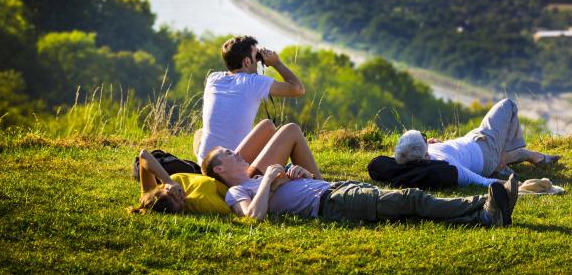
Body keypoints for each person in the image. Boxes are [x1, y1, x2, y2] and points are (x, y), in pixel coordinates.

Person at [202, 147, 519, 227]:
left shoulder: (257, 179)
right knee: (409, 199)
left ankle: (489, 211)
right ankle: (487, 207)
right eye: (230, 154)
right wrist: (270, 179)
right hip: (333, 203)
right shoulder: (237, 191)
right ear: (219, 169)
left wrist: (300, 173)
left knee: (406, 206)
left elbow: (299, 186)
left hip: (334, 188)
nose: (239, 153)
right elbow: (253, 216)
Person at [137, 123, 321, 213]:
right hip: (241, 183)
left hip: (225, 172)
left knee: (267, 125)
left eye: (176, 196)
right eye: (181, 202)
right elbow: (244, 211)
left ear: (161, 191)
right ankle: (321, 186)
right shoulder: (194, 206)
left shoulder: (149, 193)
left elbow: (144, 155)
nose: (182, 197)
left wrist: (168, 181)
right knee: (291, 131)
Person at [394, 98, 561, 187]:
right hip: (485, 150)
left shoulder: (413, 156)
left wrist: (436, 144)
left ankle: (532, 156)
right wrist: (517, 185)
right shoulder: (445, 165)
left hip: (475, 142)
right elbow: (478, 180)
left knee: (504, 148)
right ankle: (501, 164)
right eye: (424, 138)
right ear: (423, 154)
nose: (427, 138)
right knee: (507, 105)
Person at [195, 35, 305, 164]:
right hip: (233, 163)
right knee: (272, 127)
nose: (259, 60)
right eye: (257, 56)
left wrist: (256, 56)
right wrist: (276, 63)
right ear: (247, 62)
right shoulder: (253, 82)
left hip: (205, 163)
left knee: (199, 133)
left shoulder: (213, 79)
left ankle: (205, 163)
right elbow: (298, 89)